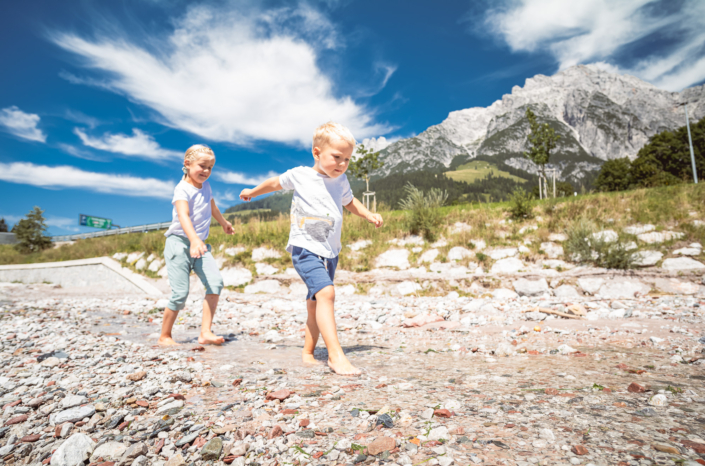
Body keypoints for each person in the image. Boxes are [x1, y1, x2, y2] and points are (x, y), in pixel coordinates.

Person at [240, 122, 383, 376]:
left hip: (330, 251)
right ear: (317, 153)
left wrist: (368, 214)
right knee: (326, 293)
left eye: (347, 159)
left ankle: (307, 353)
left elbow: (350, 202)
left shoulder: (341, 181)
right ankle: (335, 356)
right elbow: (274, 183)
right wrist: (252, 192)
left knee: (315, 302)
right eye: (337, 157)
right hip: (304, 248)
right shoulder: (301, 174)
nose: (342, 164)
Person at [159, 144, 234, 346]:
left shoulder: (206, 186)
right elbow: (183, 215)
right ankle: (165, 335)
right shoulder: (182, 189)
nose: (206, 172)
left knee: (215, 283)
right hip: (179, 244)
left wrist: (224, 223)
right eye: (202, 166)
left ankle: (205, 332)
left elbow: (212, 206)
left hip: (199, 245)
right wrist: (193, 239)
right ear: (187, 164)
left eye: (210, 168)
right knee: (180, 293)